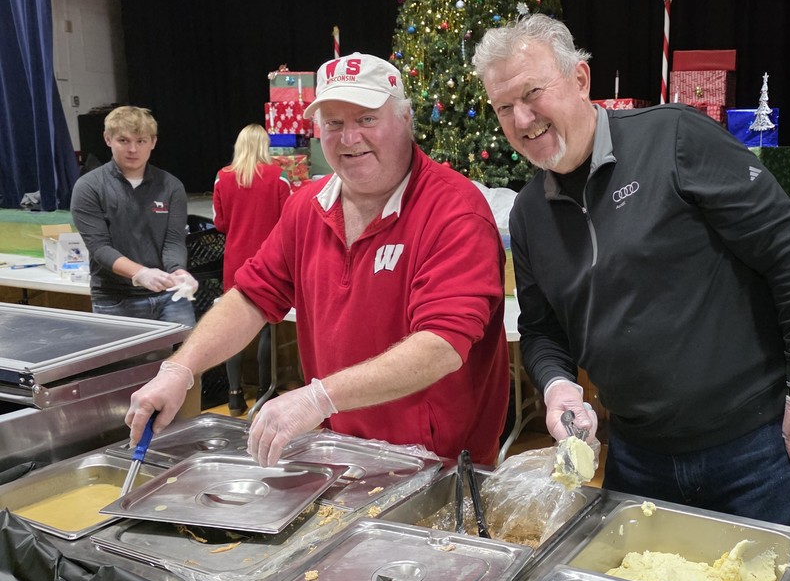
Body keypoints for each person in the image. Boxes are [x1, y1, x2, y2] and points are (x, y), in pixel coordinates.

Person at [472, 14, 790, 540]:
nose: (521, 118)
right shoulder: (529, 214)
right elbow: (541, 330)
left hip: (758, 450)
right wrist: (559, 388)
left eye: (532, 93)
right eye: (503, 107)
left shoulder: (674, 138)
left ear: (580, 79)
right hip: (637, 462)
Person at [125, 53, 510, 467]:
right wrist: (180, 369)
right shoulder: (306, 207)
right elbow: (252, 297)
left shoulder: (454, 210)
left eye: (367, 119)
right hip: (341, 451)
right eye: (334, 123)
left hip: (440, 463)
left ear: (405, 119)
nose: (350, 138)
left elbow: (441, 346)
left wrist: (319, 397)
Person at [70, 106, 198, 327]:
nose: (132, 149)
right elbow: (100, 247)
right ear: (108, 139)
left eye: (141, 141)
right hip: (116, 298)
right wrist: (140, 273)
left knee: (188, 350)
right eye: (123, 140)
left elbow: (173, 240)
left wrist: (178, 271)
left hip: (170, 296)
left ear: (153, 142)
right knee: (126, 353)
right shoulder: (89, 187)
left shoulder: (171, 186)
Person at [212, 124, 291, 414]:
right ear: (264, 146)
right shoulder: (278, 176)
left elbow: (220, 223)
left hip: (235, 262)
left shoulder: (222, 177)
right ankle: (264, 391)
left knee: (233, 327)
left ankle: (234, 395)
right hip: (269, 262)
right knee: (268, 326)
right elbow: (289, 221)